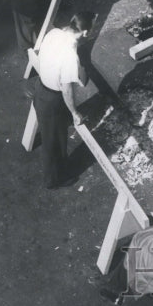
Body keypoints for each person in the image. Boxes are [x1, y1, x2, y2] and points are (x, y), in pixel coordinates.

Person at [32, 11, 94, 188]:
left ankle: (53, 170)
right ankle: (53, 180)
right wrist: (75, 112)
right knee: (55, 144)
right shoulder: (69, 56)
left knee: (50, 132)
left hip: (40, 87)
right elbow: (66, 89)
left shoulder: (54, 33)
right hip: (52, 100)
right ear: (85, 33)